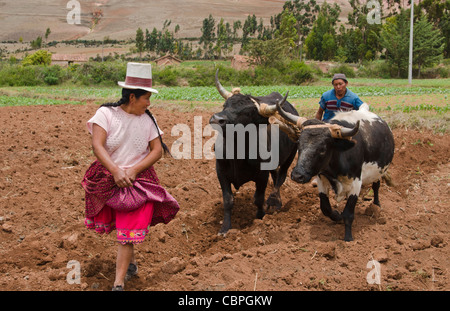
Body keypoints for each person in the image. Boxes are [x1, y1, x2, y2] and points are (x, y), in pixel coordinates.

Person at [81, 62, 180, 291]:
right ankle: (132, 264)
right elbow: (97, 146)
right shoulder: (105, 114)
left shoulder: (147, 120)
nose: (149, 103)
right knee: (124, 228)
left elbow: (156, 151)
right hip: (109, 179)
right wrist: (116, 171)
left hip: (139, 184)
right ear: (133, 97)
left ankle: (118, 284)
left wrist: (133, 171)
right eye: (146, 98)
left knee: (126, 235)